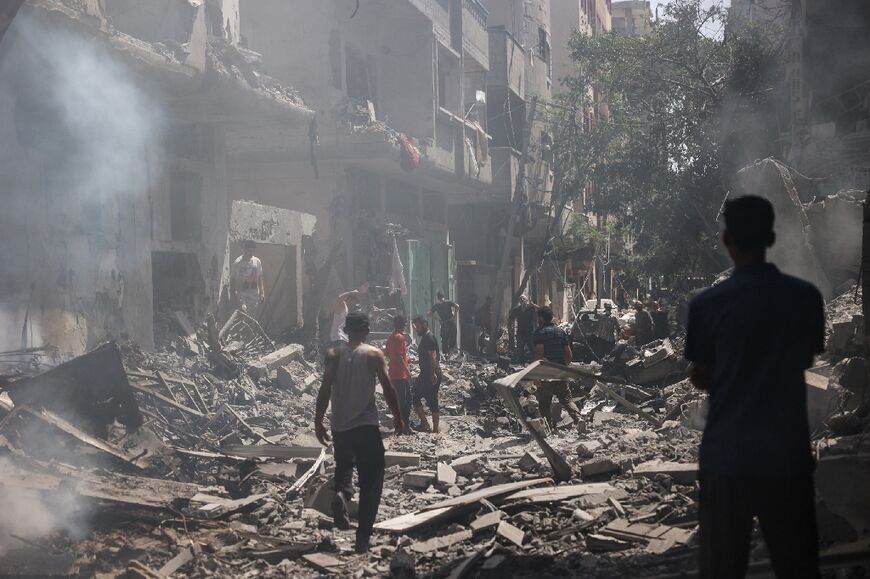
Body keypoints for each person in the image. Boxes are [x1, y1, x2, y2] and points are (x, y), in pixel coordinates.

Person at [686, 195, 824, 578]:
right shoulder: (804, 298)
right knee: (797, 565)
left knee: (722, 568)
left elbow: (701, 375)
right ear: (771, 237)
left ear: (727, 239)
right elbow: (806, 360)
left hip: (726, 456)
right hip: (786, 455)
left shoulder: (706, 305)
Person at [314, 312, 404, 553]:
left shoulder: (333, 354)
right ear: (366, 330)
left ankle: (342, 495)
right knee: (372, 479)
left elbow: (324, 388)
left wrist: (318, 420)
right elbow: (388, 388)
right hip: (365, 425)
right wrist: (398, 417)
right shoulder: (373, 354)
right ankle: (362, 538)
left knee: (344, 466)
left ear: (346, 329)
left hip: (340, 426)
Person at [533, 306, 583, 430]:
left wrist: (537, 377)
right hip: (560, 373)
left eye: (538, 317)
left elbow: (539, 355)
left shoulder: (540, 333)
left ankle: (548, 428)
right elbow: (569, 355)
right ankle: (580, 420)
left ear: (541, 318)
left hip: (546, 375)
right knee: (566, 399)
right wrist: (561, 368)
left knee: (544, 403)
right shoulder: (561, 332)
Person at [412, 316, 442, 433]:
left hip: (429, 374)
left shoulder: (428, 338)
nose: (417, 329)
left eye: (418, 327)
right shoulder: (426, 337)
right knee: (418, 396)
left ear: (425, 324)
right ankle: (427, 425)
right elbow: (427, 356)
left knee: (429, 400)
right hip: (427, 373)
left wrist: (432, 374)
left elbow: (433, 357)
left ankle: (432, 428)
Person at [385, 315, 413, 434]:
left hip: (394, 374)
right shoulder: (399, 337)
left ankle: (402, 425)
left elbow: (388, 353)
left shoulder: (391, 337)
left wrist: (408, 361)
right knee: (405, 402)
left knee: (402, 401)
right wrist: (407, 371)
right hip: (400, 375)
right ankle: (404, 426)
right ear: (404, 325)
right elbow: (398, 356)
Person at [231, 240, 264, 313]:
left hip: (254, 296)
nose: (251, 253)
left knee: (252, 319)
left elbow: (259, 277)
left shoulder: (257, 261)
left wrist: (262, 293)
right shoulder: (238, 263)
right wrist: (235, 296)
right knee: (243, 317)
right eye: (249, 251)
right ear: (244, 250)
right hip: (242, 296)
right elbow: (234, 280)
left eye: (253, 251)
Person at [508, 295, 538, 363]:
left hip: (530, 333)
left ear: (527, 301)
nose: (523, 301)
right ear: (519, 302)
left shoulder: (531, 309)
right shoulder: (517, 310)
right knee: (520, 352)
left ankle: (535, 365)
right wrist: (510, 330)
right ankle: (520, 366)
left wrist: (534, 305)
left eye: (524, 299)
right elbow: (510, 320)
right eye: (521, 300)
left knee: (533, 350)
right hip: (520, 333)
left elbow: (540, 311)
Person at [429, 290, 460, 354]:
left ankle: (445, 355)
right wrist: (454, 317)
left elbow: (429, 314)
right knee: (452, 339)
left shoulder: (436, 305)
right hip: (451, 322)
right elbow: (457, 306)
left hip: (444, 323)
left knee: (444, 341)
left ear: (437, 297)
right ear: (443, 296)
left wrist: (438, 319)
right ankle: (450, 353)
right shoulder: (448, 302)